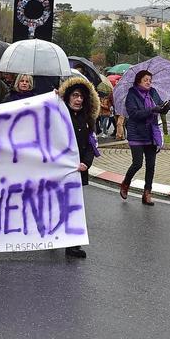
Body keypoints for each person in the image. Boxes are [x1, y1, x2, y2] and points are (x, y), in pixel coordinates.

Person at [58, 78, 99, 259]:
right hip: (59, 171)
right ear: (67, 97)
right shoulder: (59, 116)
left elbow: (91, 145)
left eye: (82, 97)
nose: (79, 100)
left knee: (74, 208)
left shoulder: (88, 120)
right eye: (75, 95)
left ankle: (73, 245)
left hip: (77, 171)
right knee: (57, 206)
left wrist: (86, 163)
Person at [120, 70, 170, 206]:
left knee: (151, 165)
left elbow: (160, 107)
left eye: (150, 80)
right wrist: (152, 110)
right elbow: (134, 114)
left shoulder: (153, 92)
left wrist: (166, 107)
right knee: (137, 163)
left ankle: (147, 193)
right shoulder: (132, 94)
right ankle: (126, 183)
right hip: (136, 132)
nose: (148, 82)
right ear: (138, 81)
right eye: (145, 80)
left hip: (151, 133)